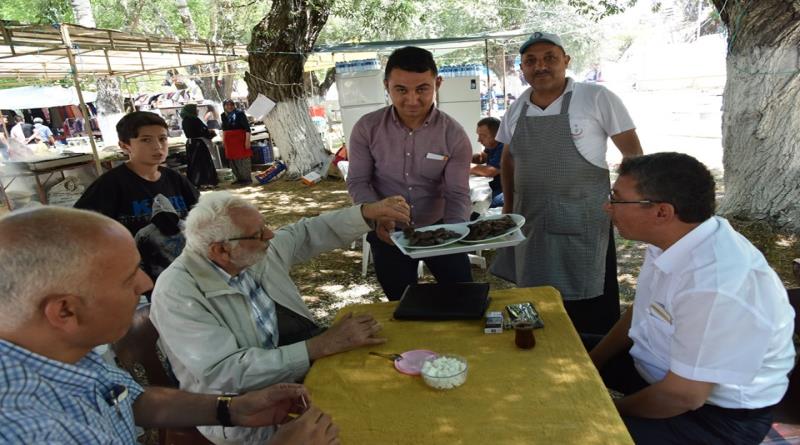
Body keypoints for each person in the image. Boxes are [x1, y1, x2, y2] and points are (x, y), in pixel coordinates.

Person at [0, 206, 341, 445]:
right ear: (64, 312)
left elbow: (131, 399)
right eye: (126, 278)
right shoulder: (30, 429)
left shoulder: (58, 351)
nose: (146, 284)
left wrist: (229, 408)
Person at [150, 191, 410, 444]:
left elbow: (304, 233)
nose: (270, 235)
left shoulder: (249, 252)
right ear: (221, 251)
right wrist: (319, 346)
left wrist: (366, 213)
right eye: (259, 234)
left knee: (392, 382)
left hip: (290, 374)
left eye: (266, 226)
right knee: (367, 426)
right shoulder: (177, 293)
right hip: (246, 412)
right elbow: (226, 372)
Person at [587, 152, 796, 445]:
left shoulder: (715, 284)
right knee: (556, 353)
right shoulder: (674, 238)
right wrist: (589, 364)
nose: (607, 206)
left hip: (715, 419)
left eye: (617, 198)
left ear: (662, 212)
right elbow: (643, 310)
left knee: (569, 432)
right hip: (656, 370)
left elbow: (682, 396)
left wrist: (603, 411)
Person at [491, 32, 643, 335]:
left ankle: (594, 363)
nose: (541, 66)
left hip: (583, 219)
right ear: (522, 68)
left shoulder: (597, 97)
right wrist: (508, 207)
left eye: (550, 57)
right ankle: (542, 354)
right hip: (530, 219)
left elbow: (634, 155)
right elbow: (507, 159)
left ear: (566, 61)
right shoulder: (517, 106)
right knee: (536, 295)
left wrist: (624, 203)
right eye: (531, 61)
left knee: (589, 300)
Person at [346, 46, 473, 301]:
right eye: (401, 90)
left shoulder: (454, 134)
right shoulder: (366, 128)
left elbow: (457, 193)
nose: (412, 100)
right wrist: (379, 217)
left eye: (422, 89)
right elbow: (359, 181)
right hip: (388, 233)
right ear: (387, 86)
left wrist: (454, 234)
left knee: (463, 297)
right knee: (401, 302)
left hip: (440, 227)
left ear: (437, 83)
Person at [75, 111, 199, 236]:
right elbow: (79, 228)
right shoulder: (110, 184)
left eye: (162, 138)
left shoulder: (175, 178)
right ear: (125, 146)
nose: (157, 146)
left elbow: (202, 214)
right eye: (146, 140)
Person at [134, 193, 187, 285]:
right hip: (159, 280)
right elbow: (138, 260)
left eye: (169, 218)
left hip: (187, 276)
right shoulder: (144, 234)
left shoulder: (189, 228)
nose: (166, 221)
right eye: (162, 218)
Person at [181, 104, 219, 189]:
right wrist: (211, 133)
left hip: (190, 144)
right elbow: (203, 131)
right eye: (196, 110)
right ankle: (206, 181)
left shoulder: (184, 120)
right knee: (203, 162)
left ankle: (195, 182)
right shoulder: (194, 120)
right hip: (198, 144)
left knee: (193, 163)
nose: (197, 111)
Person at [470, 117, 504, 209]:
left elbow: (490, 171)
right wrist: (465, 158)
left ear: (497, 135)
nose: (478, 140)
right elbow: (483, 157)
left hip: (506, 190)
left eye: (483, 136)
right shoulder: (492, 144)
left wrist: (463, 166)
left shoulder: (504, 146)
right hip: (494, 186)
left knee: (485, 204)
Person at [221, 99, 253, 184]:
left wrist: (247, 141)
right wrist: (223, 140)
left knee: (242, 159)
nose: (229, 107)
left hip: (240, 139)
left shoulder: (240, 114)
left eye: (231, 105)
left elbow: (247, 129)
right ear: (224, 106)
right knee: (233, 160)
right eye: (227, 105)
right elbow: (224, 129)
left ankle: (246, 179)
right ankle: (239, 178)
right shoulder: (223, 115)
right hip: (229, 141)